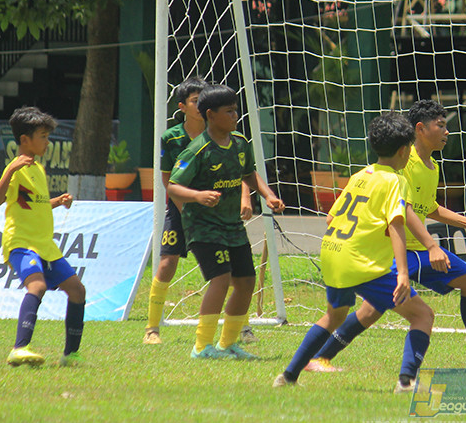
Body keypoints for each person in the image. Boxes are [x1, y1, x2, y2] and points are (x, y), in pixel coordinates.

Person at [303, 100, 466, 373]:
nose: (447, 132)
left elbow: (426, 207)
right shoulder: (404, 160)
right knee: (372, 310)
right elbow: (403, 208)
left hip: (418, 251)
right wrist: (432, 245)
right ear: (420, 129)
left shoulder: (432, 166)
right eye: (440, 125)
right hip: (396, 250)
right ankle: (320, 358)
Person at [274, 112, 435, 391]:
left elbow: (330, 218)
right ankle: (407, 382)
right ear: (404, 150)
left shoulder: (362, 174)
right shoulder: (396, 181)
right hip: (360, 262)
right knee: (423, 315)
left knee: (334, 316)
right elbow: (397, 226)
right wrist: (403, 274)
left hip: (333, 252)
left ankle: (287, 377)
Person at [167, 84, 284, 359]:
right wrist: (198, 195)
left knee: (245, 282)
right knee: (220, 279)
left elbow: (250, 174)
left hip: (232, 226)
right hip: (204, 226)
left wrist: (268, 195)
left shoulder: (240, 144)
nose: (235, 116)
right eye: (229, 111)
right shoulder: (196, 150)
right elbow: (173, 186)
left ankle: (227, 344)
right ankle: (201, 346)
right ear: (211, 114)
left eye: (236, 110)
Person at [144, 78, 256, 345]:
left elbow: (239, 171)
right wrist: (189, 213)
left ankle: (242, 327)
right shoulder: (172, 139)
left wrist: (246, 197)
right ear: (183, 106)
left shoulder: (229, 135)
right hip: (183, 209)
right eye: (194, 100)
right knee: (167, 263)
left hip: (217, 214)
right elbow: (169, 182)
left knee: (233, 273)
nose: (199, 105)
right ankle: (151, 328)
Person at [0, 106, 84, 367]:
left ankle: (71, 355)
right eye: (43, 136)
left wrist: (56, 201)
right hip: (21, 243)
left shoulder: (37, 169)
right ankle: (19, 348)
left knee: (77, 290)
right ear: (24, 140)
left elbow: (33, 204)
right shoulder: (17, 168)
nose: (47, 141)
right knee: (37, 286)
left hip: (44, 245)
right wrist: (9, 171)